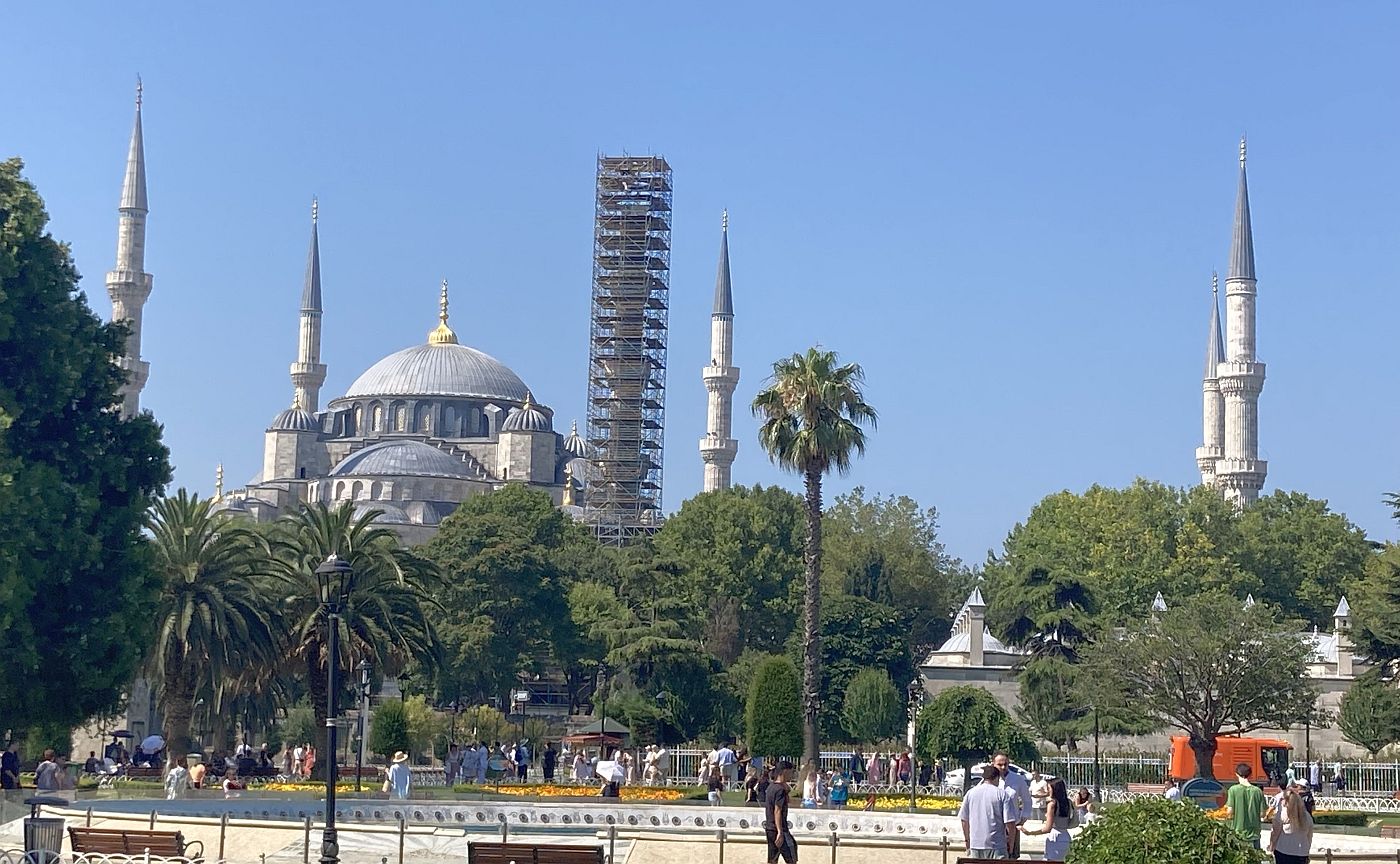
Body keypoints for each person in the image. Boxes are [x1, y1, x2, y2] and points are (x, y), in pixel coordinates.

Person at [959, 764, 1018, 860]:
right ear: (997, 778)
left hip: (976, 844)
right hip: (997, 845)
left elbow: (964, 820)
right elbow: (1010, 823)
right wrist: (1011, 846)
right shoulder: (1002, 795)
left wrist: (967, 841)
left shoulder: (970, 793)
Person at [1021, 777, 1075, 860]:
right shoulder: (1068, 802)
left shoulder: (1052, 804)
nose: (1047, 790)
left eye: (1049, 788)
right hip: (1066, 836)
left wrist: (1030, 833)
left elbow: (1047, 828)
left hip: (1055, 837)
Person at [993, 753, 1032, 858]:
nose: (1003, 767)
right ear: (993, 764)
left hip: (1012, 826)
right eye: (999, 764)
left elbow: (1027, 801)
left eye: (1005, 764)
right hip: (994, 826)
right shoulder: (988, 781)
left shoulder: (1017, 779)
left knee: (1012, 857)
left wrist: (1022, 819)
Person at [1268, 784, 1314, 864]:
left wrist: (1272, 847)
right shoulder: (1306, 816)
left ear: (1285, 800)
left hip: (1284, 851)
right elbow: (1309, 836)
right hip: (1302, 852)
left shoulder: (1281, 814)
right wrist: (1307, 850)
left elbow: (1275, 833)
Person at [1226, 762, 1266, 850]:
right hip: (1254, 834)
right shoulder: (1258, 791)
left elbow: (1230, 812)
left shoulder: (1233, 790)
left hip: (1238, 834)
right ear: (1250, 774)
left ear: (1237, 774)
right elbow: (1262, 814)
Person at [764, 760, 797, 864]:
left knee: (773, 859)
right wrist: (780, 832)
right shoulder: (780, 790)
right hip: (779, 828)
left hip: (770, 828)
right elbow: (777, 811)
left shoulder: (771, 787)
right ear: (785, 771)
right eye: (791, 772)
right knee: (791, 856)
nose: (792, 775)